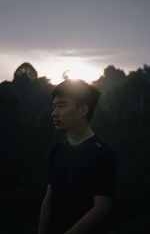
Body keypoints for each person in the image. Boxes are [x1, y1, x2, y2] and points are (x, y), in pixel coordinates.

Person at [38, 79, 117, 234]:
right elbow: (49, 198)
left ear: (82, 110)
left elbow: (100, 209)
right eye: (54, 106)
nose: (54, 113)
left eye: (61, 106)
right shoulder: (59, 150)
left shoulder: (102, 153)